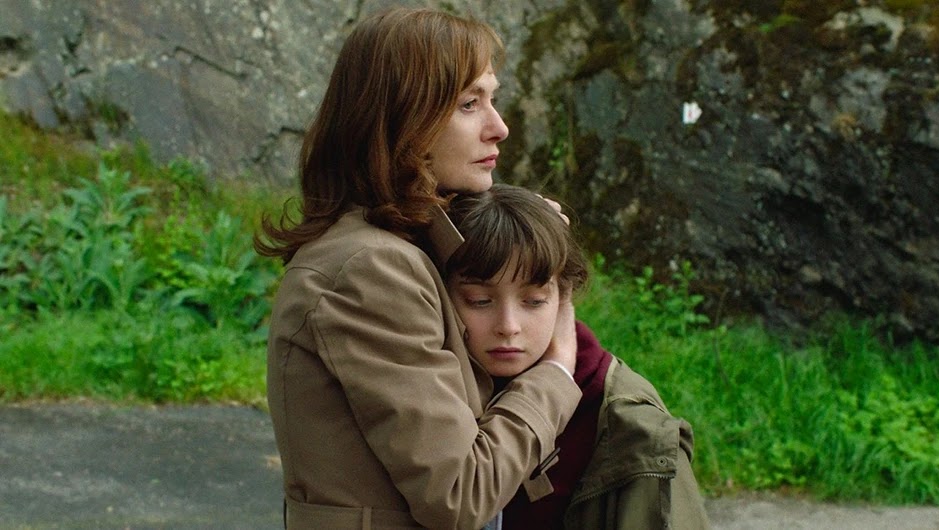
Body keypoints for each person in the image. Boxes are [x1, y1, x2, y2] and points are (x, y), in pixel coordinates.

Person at [253, 7, 582, 530]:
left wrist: (522, 242)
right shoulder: (370, 270)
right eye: (469, 104)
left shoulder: (401, 246)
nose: (499, 128)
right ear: (402, 122)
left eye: (492, 99)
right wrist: (557, 372)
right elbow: (460, 494)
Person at [443, 183, 711, 529]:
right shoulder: (422, 388)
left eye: (534, 301)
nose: (508, 326)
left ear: (563, 295)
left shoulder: (628, 425)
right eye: (479, 301)